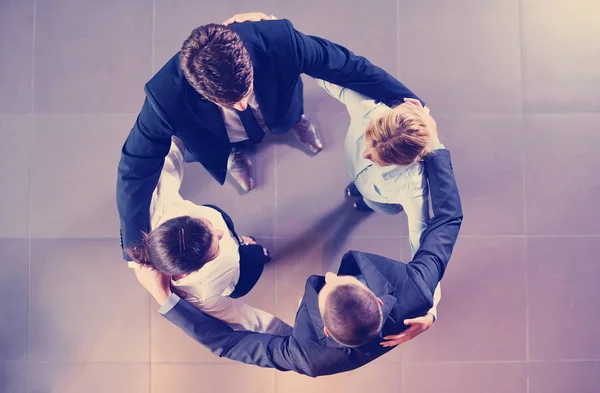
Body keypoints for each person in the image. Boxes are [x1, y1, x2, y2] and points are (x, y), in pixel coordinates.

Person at [132, 124, 463, 377]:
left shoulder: (309, 355)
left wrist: (168, 301)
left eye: (327, 285)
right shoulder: (416, 289)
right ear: (376, 298)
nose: (330, 273)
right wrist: (433, 146)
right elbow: (447, 219)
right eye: (342, 280)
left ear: (326, 330)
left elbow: (228, 343)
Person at [116, 13, 425, 261]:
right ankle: (235, 155)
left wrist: (409, 103)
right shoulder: (163, 96)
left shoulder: (279, 39)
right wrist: (135, 250)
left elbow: (348, 67)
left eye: (244, 92)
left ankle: (297, 124)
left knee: (286, 118)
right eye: (229, 101)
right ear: (198, 89)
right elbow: (136, 167)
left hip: (277, 109)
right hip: (219, 136)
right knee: (233, 142)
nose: (240, 105)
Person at [126, 137, 290, 334]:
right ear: (188, 272)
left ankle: (244, 242)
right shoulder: (201, 294)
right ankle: (256, 250)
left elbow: (172, 153)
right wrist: (295, 338)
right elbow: (249, 320)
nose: (220, 233)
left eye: (207, 226)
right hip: (239, 273)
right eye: (215, 247)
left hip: (231, 249)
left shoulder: (159, 208)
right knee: (255, 255)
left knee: (233, 234)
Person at [316, 80, 435, 257]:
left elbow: (419, 240)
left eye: (377, 159)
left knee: (371, 202)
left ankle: (366, 203)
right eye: (369, 141)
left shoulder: (414, 186)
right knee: (358, 185)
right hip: (362, 178)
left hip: (380, 199)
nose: (364, 154)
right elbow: (333, 82)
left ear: (403, 162)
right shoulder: (370, 111)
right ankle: (358, 189)